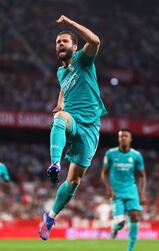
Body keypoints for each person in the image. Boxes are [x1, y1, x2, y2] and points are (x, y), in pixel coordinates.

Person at [39, 15, 107, 241]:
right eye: (58, 43)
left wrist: (69, 23)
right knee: (60, 118)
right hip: (73, 119)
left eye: (65, 42)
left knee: (74, 181)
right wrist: (60, 102)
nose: (60, 45)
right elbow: (64, 86)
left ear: (74, 47)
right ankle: (55, 163)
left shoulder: (83, 60)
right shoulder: (60, 72)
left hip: (90, 128)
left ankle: (50, 216)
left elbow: (96, 41)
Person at [101, 129, 147, 251]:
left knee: (135, 216)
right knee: (120, 224)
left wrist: (142, 194)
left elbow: (142, 175)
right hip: (116, 193)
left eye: (126, 136)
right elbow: (104, 173)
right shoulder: (110, 154)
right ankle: (114, 229)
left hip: (131, 190)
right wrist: (108, 189)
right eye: (121, 136)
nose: (123, 138)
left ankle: (130, 249)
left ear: (130, 139)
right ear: (118, 139)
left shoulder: (136, 155)